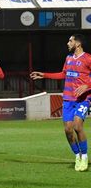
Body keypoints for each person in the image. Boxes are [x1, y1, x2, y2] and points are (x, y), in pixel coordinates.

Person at [30, 34, 91, 172]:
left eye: (70, 41)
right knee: (68, 130)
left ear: (78, 43)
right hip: (68, 99)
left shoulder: (88, 58)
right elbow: (63, 74)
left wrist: (87, 86)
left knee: (77, 125)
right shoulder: (68, 58)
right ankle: (77, 155)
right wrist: (43, 75)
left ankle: (85, 157)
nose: (68, 43)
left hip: (83, 99)